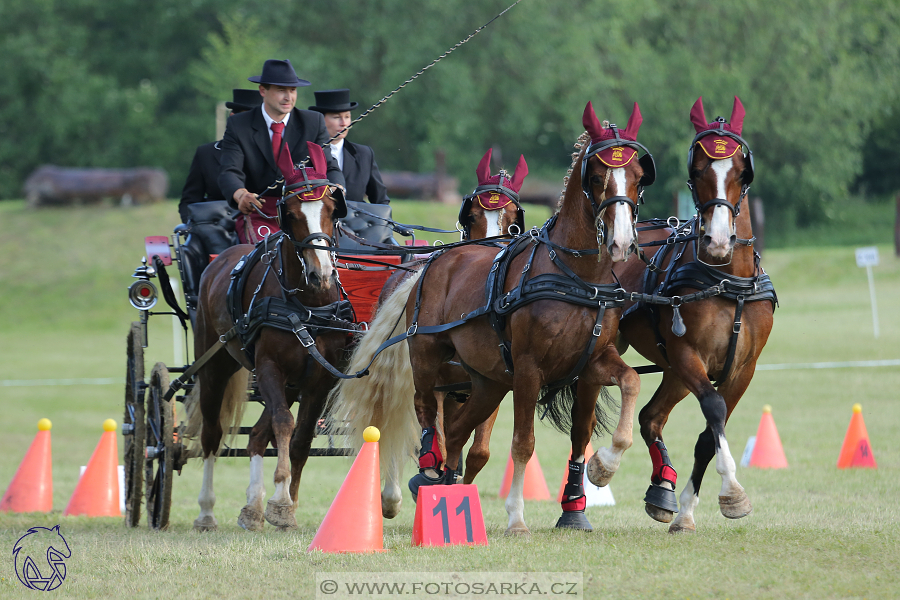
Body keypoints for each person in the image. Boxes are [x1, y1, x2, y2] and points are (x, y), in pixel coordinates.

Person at [218, 59, 345, 244]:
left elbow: (330, 167)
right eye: (281, 90)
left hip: (307, 211)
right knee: (268, 259)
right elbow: (229, 171)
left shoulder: (313, 122)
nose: (288, 97)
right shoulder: (239, 125)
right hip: (261, 213)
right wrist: (241, 195)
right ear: (263, 90)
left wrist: (337, 188)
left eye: (292, 90)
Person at [177, 89, 263, 223]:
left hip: (263, 227)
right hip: (218, 228)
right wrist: (194, 227)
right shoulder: (205, 153)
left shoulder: (274, 154)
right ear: (233, 117)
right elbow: (190, 200)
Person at [309, 89, 390, 205]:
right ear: (321, 120)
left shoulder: (364, 154)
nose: (344, 123)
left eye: (347, 117)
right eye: (337, 117)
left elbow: (381, 200)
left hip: (355, 222)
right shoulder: (306, 154)